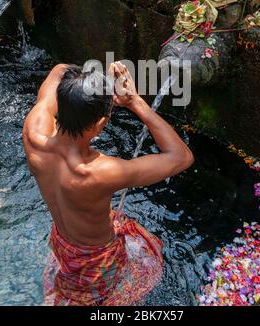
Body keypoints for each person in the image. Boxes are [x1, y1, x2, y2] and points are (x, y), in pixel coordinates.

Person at [23, 61, 194, 306]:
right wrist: (134, 101)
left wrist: (90, 82)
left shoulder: (34, 131)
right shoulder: (100, 172)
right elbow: (181, 157)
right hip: (95, 260)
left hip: (62, 239)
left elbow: (60, 70)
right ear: (100, 124)